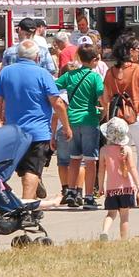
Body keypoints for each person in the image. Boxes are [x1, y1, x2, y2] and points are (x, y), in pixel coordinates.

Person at [0, 27, 70, 204]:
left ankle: (32, 198)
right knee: (32, 170)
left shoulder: (6, 72)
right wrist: (66, 127)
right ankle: (27, 205)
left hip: (14, 130)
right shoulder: (43, 74)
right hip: (38, 131)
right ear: (37, 57)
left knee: (24, 169)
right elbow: (57, 102)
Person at [102, 33, 139, 204]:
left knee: (124, 155)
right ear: (130, 51)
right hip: (138, 116)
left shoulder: (111, 72)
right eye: (137, 49)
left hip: (119, 120)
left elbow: (105, 98)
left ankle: (128, 191)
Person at [55, 45, 105, 208]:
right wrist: (102, 113)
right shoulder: (95, 77)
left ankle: (71, 191)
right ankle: (89, 197)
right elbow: (102, 96)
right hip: (89, 119)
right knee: (90, 160)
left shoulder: (70, 75)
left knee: (74, 158)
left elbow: (54, 85)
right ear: (93, 60)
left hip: (71, 120)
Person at [96, 116, 137, 241]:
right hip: (126, 189)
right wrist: (138, 184)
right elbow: (132, 168)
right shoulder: (127, 149)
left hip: (111, 189)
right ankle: (124, 239)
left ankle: (105, 231)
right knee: (124, 216)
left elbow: (101, 170)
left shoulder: (104, 150)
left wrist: (101, 186)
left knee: (111, 213)